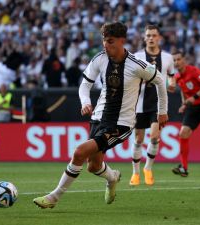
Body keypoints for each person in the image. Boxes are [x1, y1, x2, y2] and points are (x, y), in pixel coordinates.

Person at [33, 22, 168, 209]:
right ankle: (113, 178)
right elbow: (84, 85)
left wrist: (162, 112)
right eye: (104, 40)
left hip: (121, 124)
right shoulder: (100, 59)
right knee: (93, 166)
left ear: (122, 41)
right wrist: (85, 102)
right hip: (98, 118)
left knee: (79, 152)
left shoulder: (137, 65)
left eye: (110, 41)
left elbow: (161, 81)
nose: (106, 45)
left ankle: (54, 197)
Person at [129, 24, 175, 186]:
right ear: (144, 38)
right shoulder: (137, 56)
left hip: (158, 103)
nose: (151, 38)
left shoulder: (168, 57)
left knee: (155, 137)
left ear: (159, 38)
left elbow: (171, 74)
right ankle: (135, 173)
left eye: (154, 35)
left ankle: (147, 169)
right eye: (148, 35)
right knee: (138, 138)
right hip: (139, 102)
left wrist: (172, 83)